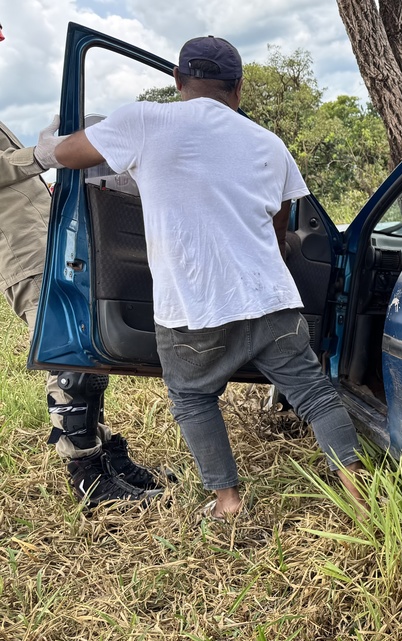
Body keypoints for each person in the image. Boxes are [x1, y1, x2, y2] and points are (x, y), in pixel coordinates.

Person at [37, 35, 364, 519]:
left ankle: (227, 501)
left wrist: (43, 143)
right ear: (238, 88)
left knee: (193, 398)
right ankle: (360, 496)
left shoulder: (145, 120)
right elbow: (281, 226)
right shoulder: (269, 143)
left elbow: (67, 156)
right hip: (271, 299)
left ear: (177, 81)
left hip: (192, 307)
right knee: (315, 394)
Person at [0, 20, 163, 509]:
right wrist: (42, 153)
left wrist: (46, 149)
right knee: (69, 365)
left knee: (85, 357)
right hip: (22, 255)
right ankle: (89, 478)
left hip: (44, 243)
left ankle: (106, 455)